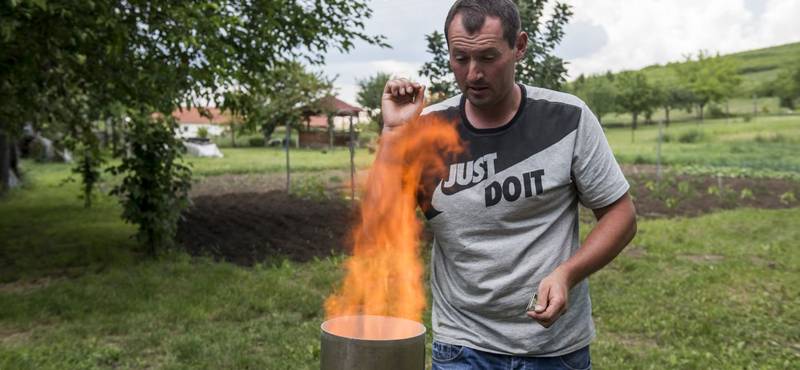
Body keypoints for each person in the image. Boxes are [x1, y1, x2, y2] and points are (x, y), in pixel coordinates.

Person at [376, 0, 637, 368]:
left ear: (519, 47)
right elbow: (379, 225)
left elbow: (621, 216)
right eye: (460, 58)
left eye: (487, 57)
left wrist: (567, 274)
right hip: (462, 346)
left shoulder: (568, 119)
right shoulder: (424, 128)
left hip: (555, 348)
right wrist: (392, 134)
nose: (473, 74)